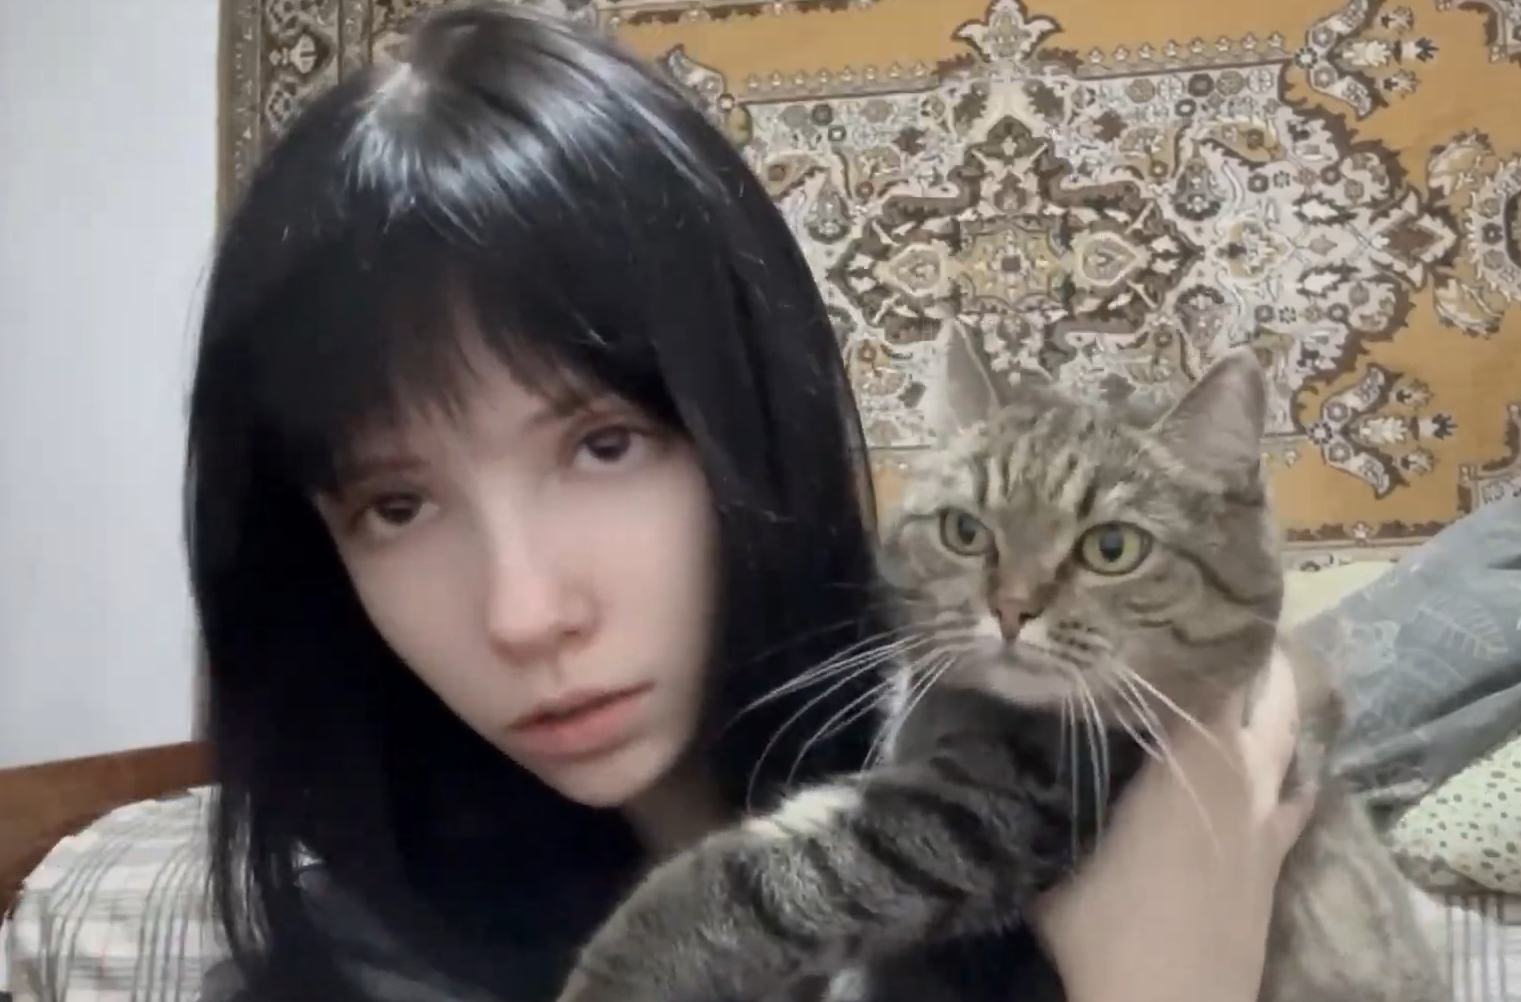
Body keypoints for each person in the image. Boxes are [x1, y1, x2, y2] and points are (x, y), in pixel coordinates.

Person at [185, 5, 1314, 1002]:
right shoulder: (342, 967)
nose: (524, 614)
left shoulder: (1086, 761)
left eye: (604, 444)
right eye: (395, 507)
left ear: (754, 403)